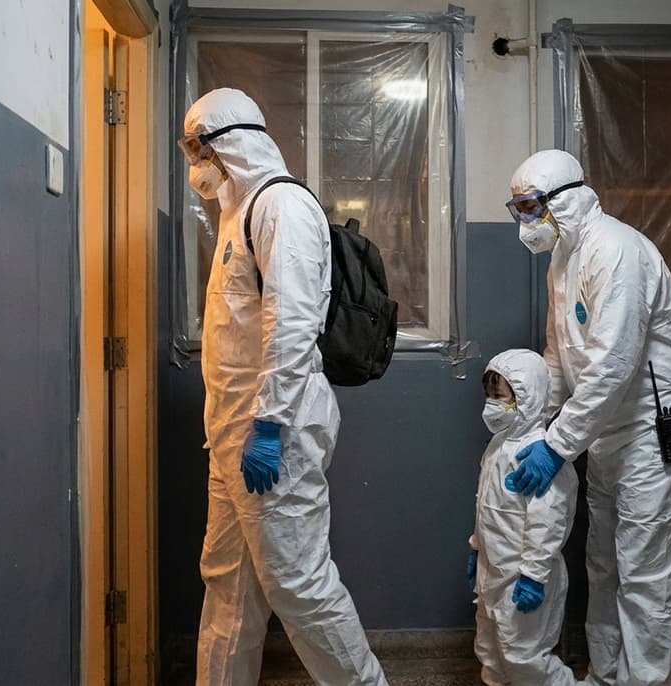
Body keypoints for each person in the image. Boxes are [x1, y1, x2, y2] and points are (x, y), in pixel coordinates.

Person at [180, 88, 387, 686]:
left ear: (229, 145)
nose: (196, 165)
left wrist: (268, 425)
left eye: (200, 150)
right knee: (228, 585)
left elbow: (292, 324)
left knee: (300, 585)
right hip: (231, 434)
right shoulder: (236, 211)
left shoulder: (281, 208)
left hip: (276, 434)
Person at [505, 149, 671, 686]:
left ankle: (646, 680)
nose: (525, 222)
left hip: (653, 423)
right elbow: (559, 354)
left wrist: (556, 446)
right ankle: (607, 674)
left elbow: (613, 366)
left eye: (530, 208)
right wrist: (538, 423)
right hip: (604, 430)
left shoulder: (616, 250)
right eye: (518, 210)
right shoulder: (564, 256)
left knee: (649, 571)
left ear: (563, 201)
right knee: (605, 563)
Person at [468, 349, 578, 686]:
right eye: (489, 396)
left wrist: (533, 575)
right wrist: (476, 547)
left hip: (524, 577)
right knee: (489, 649)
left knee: (525, 657)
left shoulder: (540, 455)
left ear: (526, 398)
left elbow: (548, 524)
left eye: (500, 398)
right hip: (493, 572)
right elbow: (485, 505)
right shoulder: (497, 447)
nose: (492, 405)